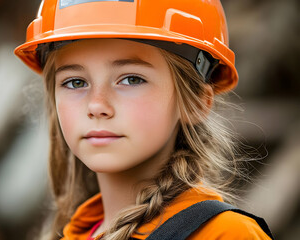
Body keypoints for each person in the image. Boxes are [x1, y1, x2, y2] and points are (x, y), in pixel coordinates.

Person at [15, 0, 274, 239]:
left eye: (131, 79)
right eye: (75, 82)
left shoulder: (226, 234)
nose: (96, 105)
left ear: (196, 102)